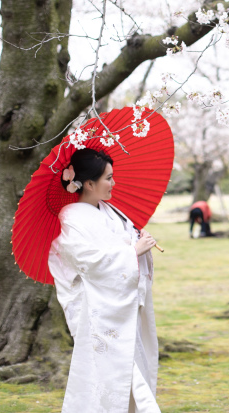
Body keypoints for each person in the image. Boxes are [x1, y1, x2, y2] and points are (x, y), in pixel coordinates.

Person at [48, 149, 161, 413]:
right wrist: (133, 251)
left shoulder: (112, 212)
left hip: (123, 307)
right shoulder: (71, 219)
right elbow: (89, 262)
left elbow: (118, 249)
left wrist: (138, 242)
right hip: (99, 313)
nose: (114, 183)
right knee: (107, 380)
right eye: (108, 178)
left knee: (132, 371)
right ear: (88, 183)